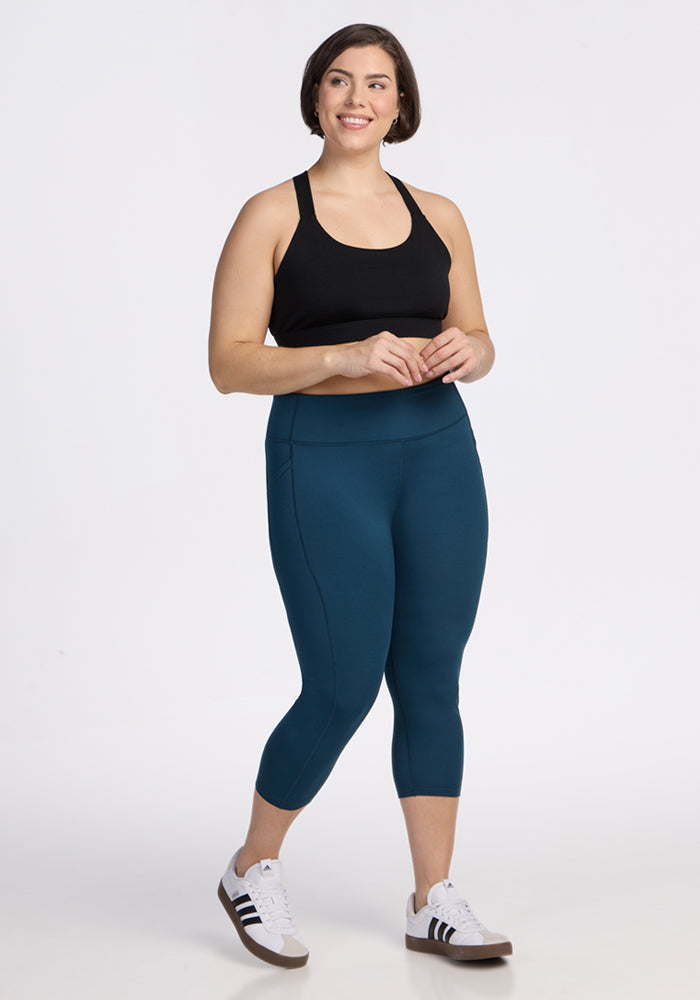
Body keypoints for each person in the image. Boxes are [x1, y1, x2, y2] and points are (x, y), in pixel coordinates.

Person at [208, 23, 512, 969]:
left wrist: (473, 352)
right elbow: (227, 363)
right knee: (340, 683)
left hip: (439, 457)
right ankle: (251, 867)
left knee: (429, 674)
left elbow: (479, 334)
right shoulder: (272, 213)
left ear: (402, 105)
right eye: (340, 81)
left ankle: (434, 899)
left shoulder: (442, 213)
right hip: (324, 459)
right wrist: (341, 356)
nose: (357, 98)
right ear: (315, 98)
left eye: (378, 84)